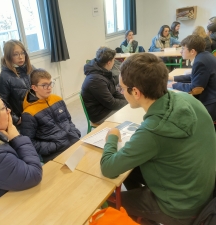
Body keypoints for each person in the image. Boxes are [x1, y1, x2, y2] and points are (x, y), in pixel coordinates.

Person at [101, 53, 216, 225]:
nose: (121, 92)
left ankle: (150, 217)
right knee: (131, 171)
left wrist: (112, 138)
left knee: (110, 200)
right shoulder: (186, 99)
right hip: (202, 191)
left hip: (180, 208)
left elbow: (108, 168)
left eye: (122, 88)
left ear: (136, 92)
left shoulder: (153, 131)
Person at [21, 69, 81, 163]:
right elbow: (29, 143)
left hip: (73, 141)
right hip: (55, 153)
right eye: (44, 85)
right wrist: (55, 146)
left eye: (50, 83)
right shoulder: (29, 113)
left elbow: (68, 120)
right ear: (34, 87)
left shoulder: (57, 99)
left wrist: (75, 133)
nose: (49, 88)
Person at [168, 35, 216, 122]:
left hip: (210, 103)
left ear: (192, 51)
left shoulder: (200, 62)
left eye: (183, 49)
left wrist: (175, 85)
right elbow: (196, 76)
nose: (181, 52)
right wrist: (173, 77)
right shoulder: (205, 55)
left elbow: (196, 89)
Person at [81, 47, 127, 124]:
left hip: (105, 108)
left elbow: (114, 92)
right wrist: (127, 102)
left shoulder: (103, 71)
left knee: (131, 107)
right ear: (109, 62)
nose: (114, 62)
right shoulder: (95, 80)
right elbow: (111, 103)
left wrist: (127, 98)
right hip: (100, 114)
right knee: (129, 113)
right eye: (113, 60)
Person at [0, 40, 34, 126]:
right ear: (9, 56)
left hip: (35, 113)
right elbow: (1, 103)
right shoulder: (4, 77)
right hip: (21, 120)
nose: (21, 57)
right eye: (16, 54)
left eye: (22, 53)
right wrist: (16, 120)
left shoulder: (30, 69)